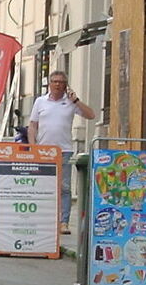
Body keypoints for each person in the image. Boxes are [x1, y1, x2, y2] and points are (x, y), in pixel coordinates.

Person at [26, 69, 96, 231]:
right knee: (43, 186)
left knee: (64, 187)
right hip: (44, 150)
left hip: (64, 150)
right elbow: (33, 125)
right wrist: (32, 147)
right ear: (49, 84)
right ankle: (45, 219)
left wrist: (76, 100)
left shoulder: (71, 103)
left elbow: (91, 115)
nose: (57, 85)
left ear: (66, 85)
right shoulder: (40, 102)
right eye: (55, 82)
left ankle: (63, 221)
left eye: (61, 82)